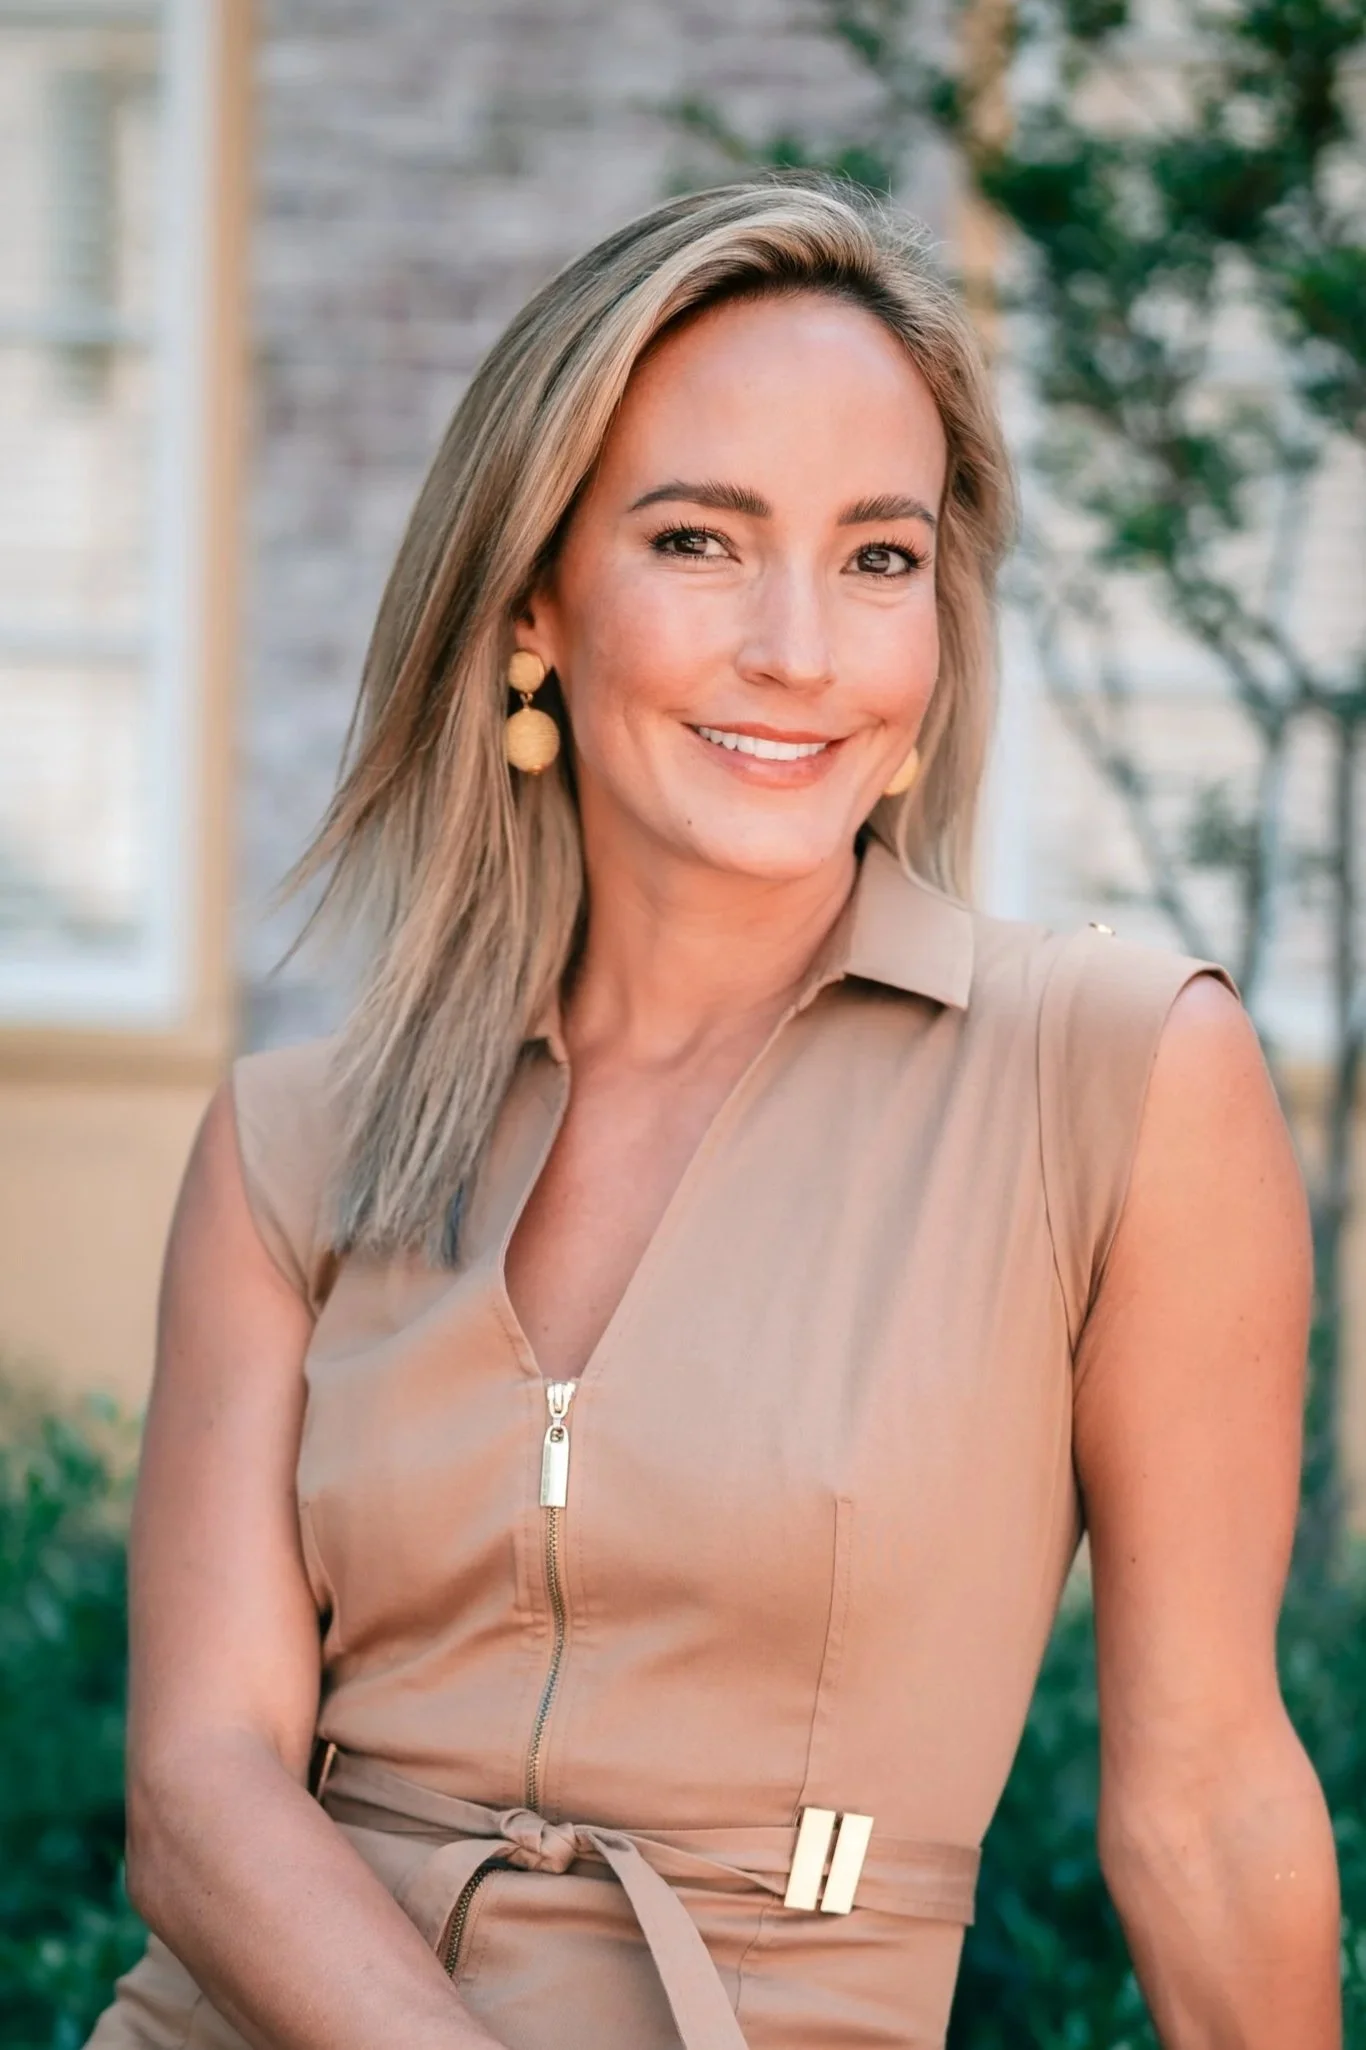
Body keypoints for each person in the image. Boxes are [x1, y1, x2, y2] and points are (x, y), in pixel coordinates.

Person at [88, 178, 1340, 2050]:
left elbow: (1208, 1800)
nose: (798, 649)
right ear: (532, 601)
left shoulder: (1121, 1073)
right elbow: (201, 1790)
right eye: (696, 539)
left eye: (877, 558)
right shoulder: (298, 1140)